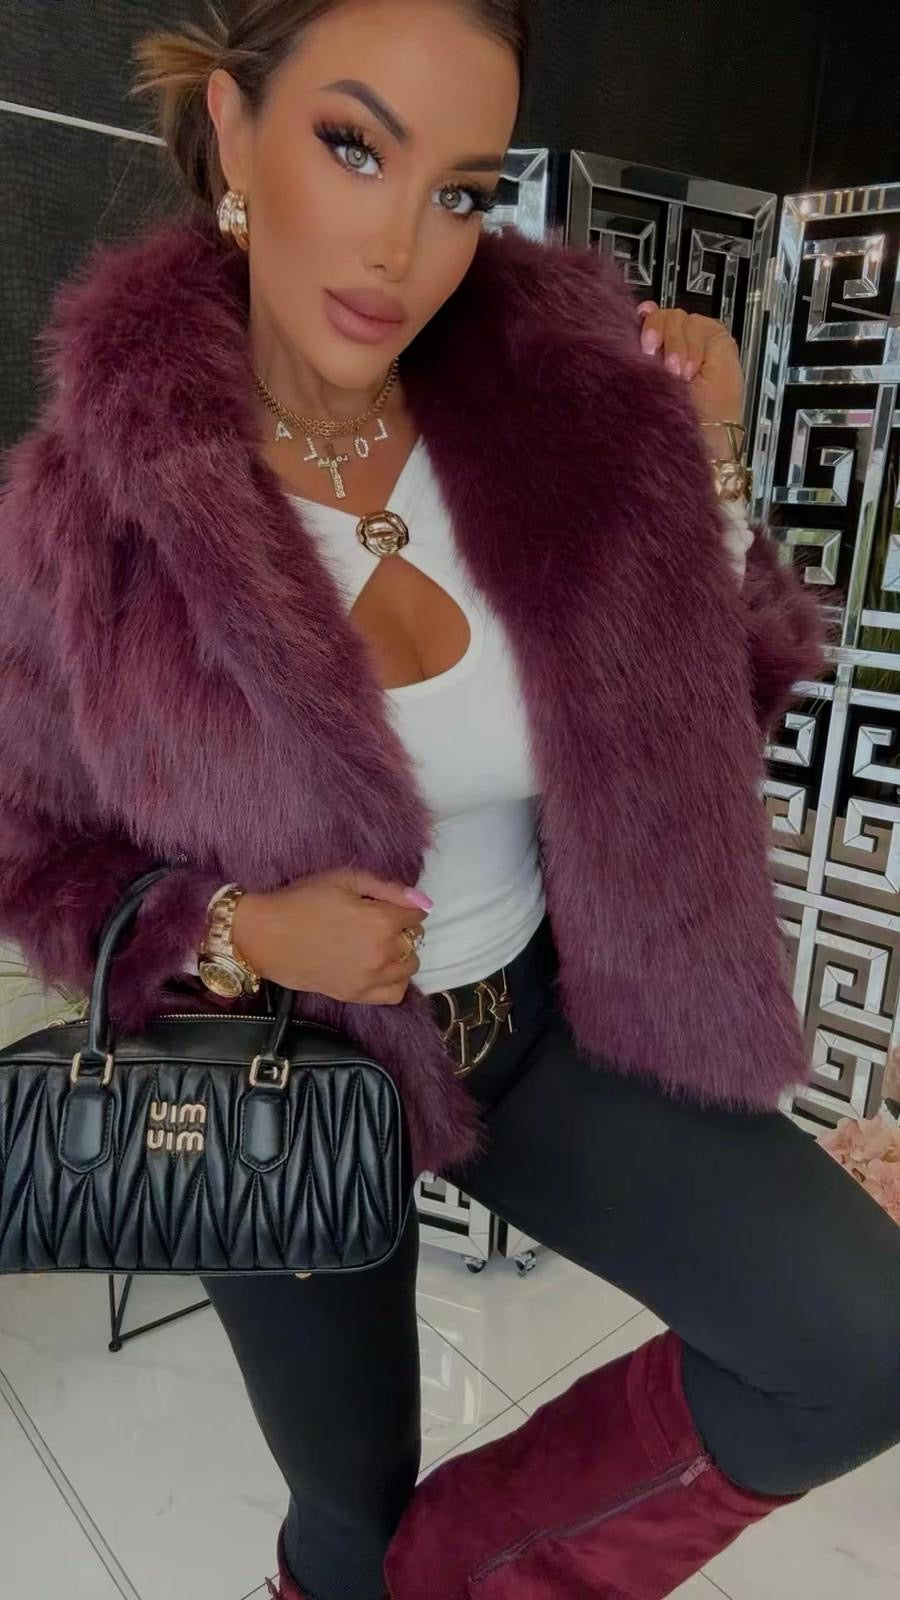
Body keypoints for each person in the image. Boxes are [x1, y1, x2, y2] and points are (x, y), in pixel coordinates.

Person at [1, 2, 898, 1597]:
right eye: (354, 146)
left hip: (553, 1020)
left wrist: (702, 466)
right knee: (348, 1505)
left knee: (857, 1340)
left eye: (462, 189)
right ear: (233, 130)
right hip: (286, 1069)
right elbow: (31, 854)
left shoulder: (552, 409)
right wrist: (235, 928)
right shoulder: (92, 514)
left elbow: (712, 708)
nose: (403, 245)